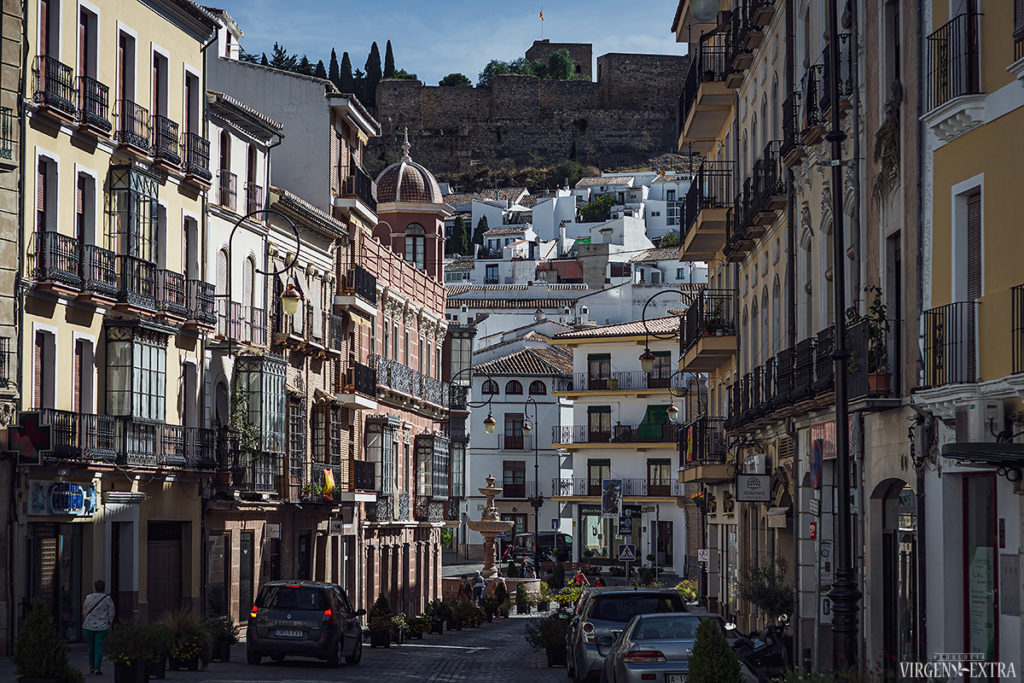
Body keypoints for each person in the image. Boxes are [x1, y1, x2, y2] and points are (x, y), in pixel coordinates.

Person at [82, 580, 115, 676]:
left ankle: (91, 666)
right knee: (99, 647)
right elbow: (111, 613)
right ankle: (97, 668)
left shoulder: (88, 598)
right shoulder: (107, 599)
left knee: (90, 647)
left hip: (88, 626)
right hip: (102, 626)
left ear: (95, 587)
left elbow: (84, 611)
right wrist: (109, 623)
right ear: (104, 588)